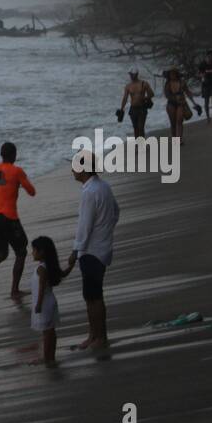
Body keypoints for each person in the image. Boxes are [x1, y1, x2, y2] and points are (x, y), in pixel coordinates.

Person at [67, 157, 120, 352]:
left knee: (94, 297)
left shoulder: (90, 192)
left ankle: (101, 337)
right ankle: (94, 335)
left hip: (91, 251)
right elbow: (116, 212)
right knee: (90, 295)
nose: (72, 170)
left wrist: (75, 251)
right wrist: (106, 230)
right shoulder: (103, 186)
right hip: (102, 248)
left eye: (74, 167)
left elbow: (85, 226)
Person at [0, 142, 36, 300]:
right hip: (10, 217)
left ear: (1, 155)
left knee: (2, 254)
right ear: (14, 155)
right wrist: (20, 182)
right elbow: (32, 192)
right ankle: (14, 290)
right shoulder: (17, 171)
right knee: (21, 252)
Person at [28, 236, 68, 366]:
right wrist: (71, 264)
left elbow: (41, 288)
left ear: (42, 252)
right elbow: (63, 274)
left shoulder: (42, 269)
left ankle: (47, 358)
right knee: (50, 331)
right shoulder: (48, 266)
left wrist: (38, 304)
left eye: (34, 250)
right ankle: (50, 357)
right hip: (49, 301)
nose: (32, 253)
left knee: (47, 333)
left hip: (44, 303)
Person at [163, 68, 200, 142]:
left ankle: (179, 139)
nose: (172, 75)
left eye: (173, 73)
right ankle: (174, 139)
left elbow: (188, 92)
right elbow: (166, 95)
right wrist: (175, 98)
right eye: (171, 74)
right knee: (173, 122)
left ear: (176, 74)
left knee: (179, 121)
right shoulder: (168, 84)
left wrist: (194, 103)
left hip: (181, 104)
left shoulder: (182, 82)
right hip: (171, 104)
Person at [118, 69, 154, 137]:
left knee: (141, 127)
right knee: (135, 128)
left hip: (142, 107)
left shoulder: (144, 83)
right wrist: (122, 108)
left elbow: (152, 94)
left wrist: (145, 98)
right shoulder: (128, 86)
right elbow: (125, 98)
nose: (131, 76)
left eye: (132, 74)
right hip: (133, 108)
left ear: (137, 74)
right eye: (130, 74)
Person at [198, 50, 212, 124]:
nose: (210, 58)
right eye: (208, 56)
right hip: (205, 85)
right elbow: (199, 74)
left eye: (211, 57)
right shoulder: (202, 65)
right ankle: (208, 117)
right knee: (206, 102)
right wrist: (202, 75)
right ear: (206, 56)